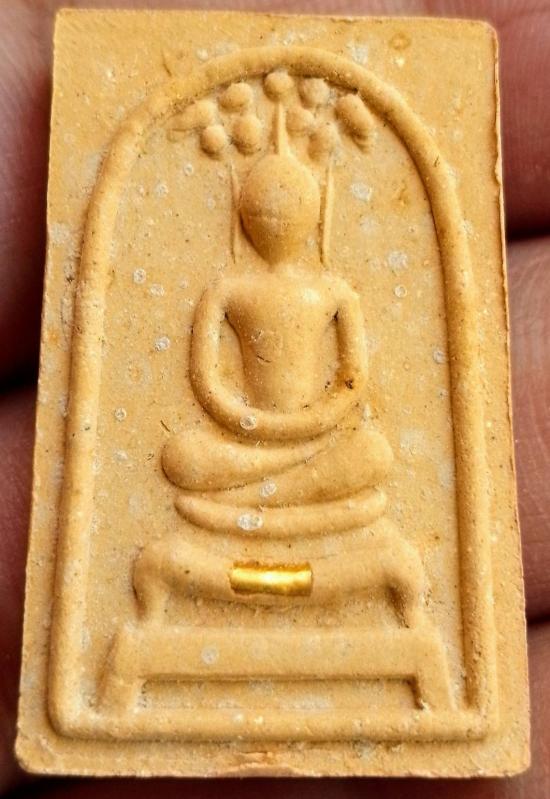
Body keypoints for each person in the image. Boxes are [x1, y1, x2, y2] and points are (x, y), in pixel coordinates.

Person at [0, 1, 549, 797]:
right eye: (265, 209)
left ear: (312, 212)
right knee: (183, 456)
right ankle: (266, 519)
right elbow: (208, 381)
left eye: (289, 208)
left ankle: (274, 521)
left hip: (318, 449)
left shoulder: (333, 290)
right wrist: (248, 423)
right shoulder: (227, 288)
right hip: (240, 449)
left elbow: (352, 381)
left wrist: (314, 422)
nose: (276, 220)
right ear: (247, 216)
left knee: (371, 455)